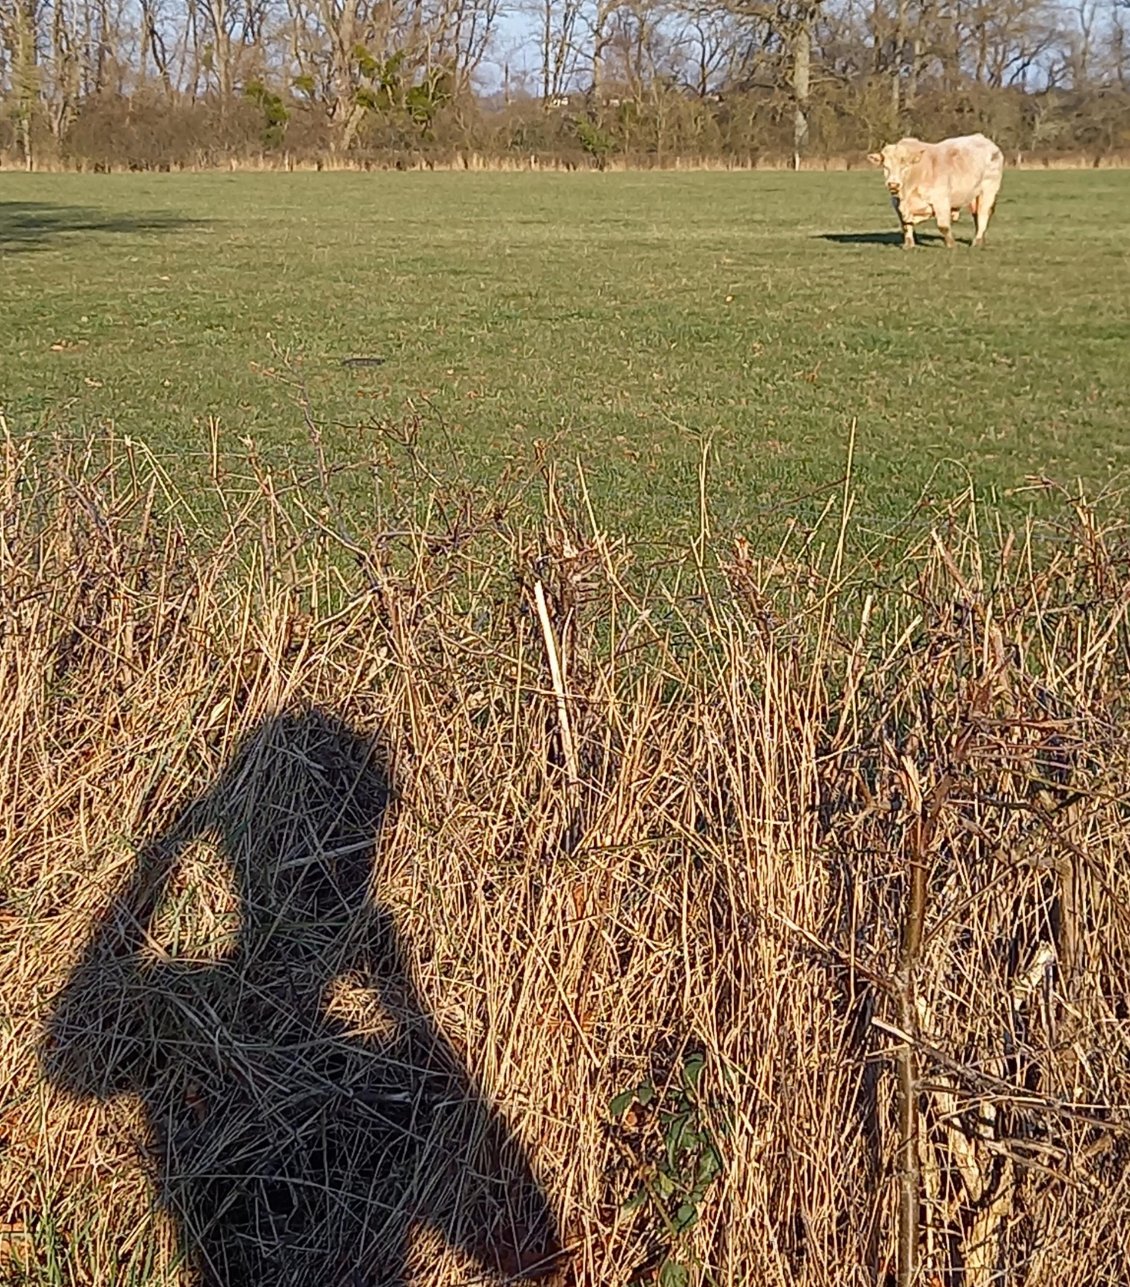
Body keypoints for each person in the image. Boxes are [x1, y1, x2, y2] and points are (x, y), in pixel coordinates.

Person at [44, 708, 561, 1286]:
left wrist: (159, 859)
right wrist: (402, 997)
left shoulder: (205, 1008)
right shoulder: (319, 1037)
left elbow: (69, 1060)